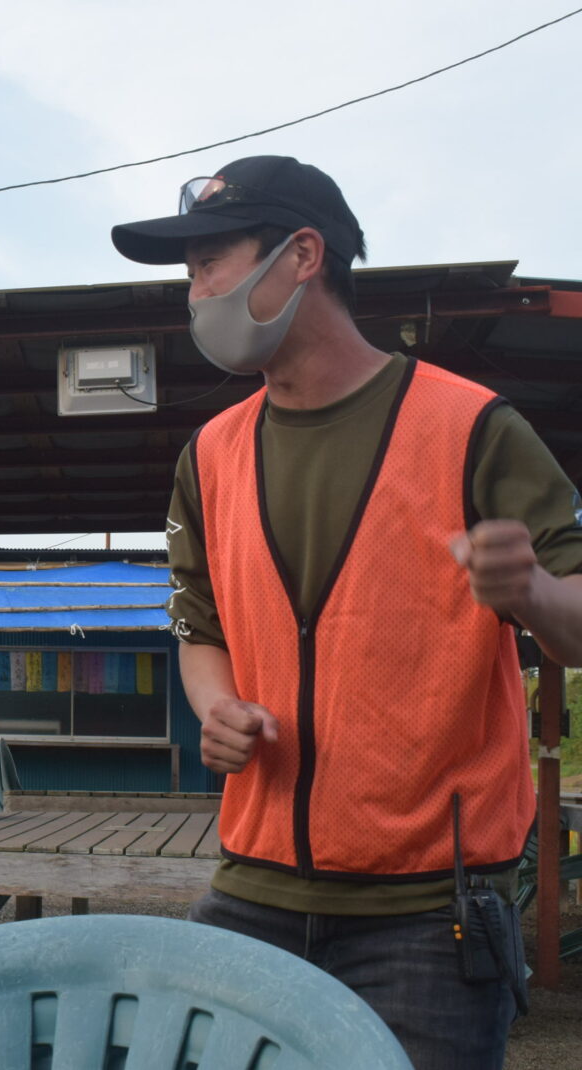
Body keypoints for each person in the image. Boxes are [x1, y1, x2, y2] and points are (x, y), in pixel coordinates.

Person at [110, 155, 582, 1068]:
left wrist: (530, 591)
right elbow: (199, 629)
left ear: (301, 255)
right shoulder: (208, 455)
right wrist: (217, 707)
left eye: (208, 263)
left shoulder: (471, 428)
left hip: (430, 916)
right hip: (251, 893)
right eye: (189, 273)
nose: (195, 293)